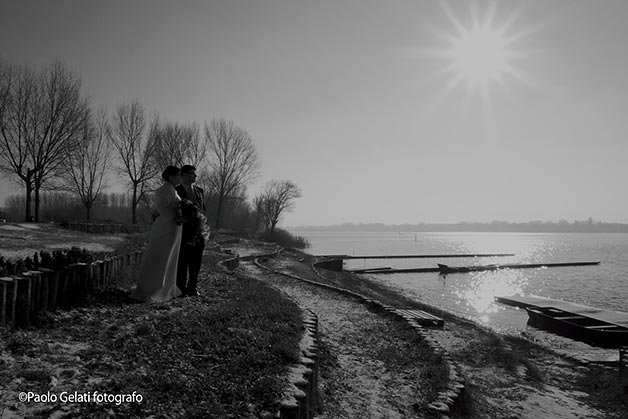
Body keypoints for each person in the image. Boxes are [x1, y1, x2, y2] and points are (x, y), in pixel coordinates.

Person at [132, 166, 183, 302]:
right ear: (171, 176)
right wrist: (175, 217)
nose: (180, 178)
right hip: (166, 226)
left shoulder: (172, 190)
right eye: (178, 175)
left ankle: (165, 287)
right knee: (160, 256)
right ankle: (152, 288)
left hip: (173, 227)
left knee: (169, 257)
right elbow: (161, 207)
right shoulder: (164, 190)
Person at [175, 165, 207, 297]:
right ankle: (180, 288)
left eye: (195, 174)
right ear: (184, 175)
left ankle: (192, 287)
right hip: (182, 231)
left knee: (196, 260)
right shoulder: (176, 190)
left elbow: (203, 209)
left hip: (199, 231)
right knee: (182, 260)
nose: (195, 176)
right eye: (192, 174)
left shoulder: (200, 191)